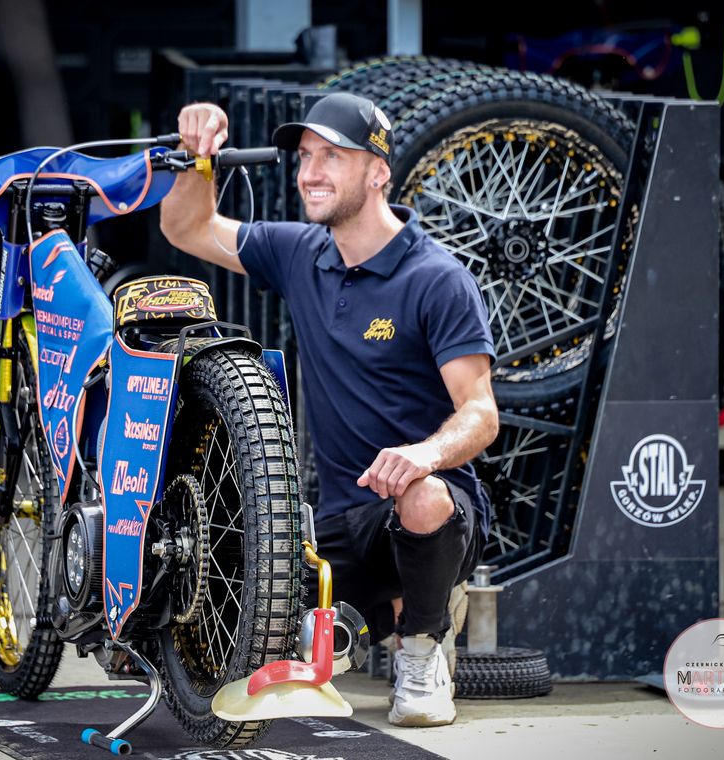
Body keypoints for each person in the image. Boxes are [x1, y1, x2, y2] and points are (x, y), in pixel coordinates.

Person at [160, 93, 499, 726]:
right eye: (306, 156)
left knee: (421, 496)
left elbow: (481, 413)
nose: (310, 172)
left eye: (332, 157)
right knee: (236, 602)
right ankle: (393, 611)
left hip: (432, 504)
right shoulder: (300, 253)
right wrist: (195, 157)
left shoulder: (436, 278)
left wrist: (422, 455)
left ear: (378, 172)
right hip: (340, 520)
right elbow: (187, 228)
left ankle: (421, 655)